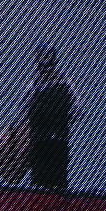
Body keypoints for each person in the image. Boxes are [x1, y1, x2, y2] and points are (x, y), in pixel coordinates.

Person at [26, 44, 74, 191]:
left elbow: (23, 111)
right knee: (52, 178)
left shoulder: (34, 86)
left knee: (46, 179)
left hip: (45, 139)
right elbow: (77, 112)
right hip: (51, 139)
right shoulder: (65, 84)